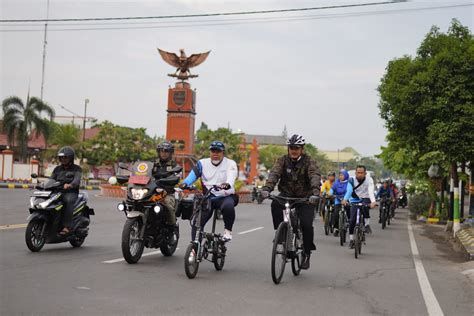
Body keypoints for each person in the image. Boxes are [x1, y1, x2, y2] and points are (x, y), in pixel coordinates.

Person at [261, 134, 321, 270]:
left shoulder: (309, 161)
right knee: (275, 203)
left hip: (305, 197)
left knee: (306, 224)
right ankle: (280, 233)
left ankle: (306, 253)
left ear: (302, 149)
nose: (293, 150)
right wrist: (266, 189)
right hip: (287, 194)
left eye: (297, 148)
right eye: (291, 148)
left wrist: (315, 193)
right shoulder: (282, 160)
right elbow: (274, 174)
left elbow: (314, 176)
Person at [180, 141, 238, 242]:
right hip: (208, 198)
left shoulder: (230, 163)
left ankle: (228, 231)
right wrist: (184, 184)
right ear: (210, 152)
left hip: (225, 196)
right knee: (197, 222)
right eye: (213, 151)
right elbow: (192, 176)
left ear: (223, 152)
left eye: (218, 151)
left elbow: (231, 178)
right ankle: (195, 246)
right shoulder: (202, 163)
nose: (215, 154)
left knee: (228, 206)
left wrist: (227, 184)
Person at [342, 165, 376, 249]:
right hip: (354, 200)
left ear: (365, 173)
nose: (360, 174)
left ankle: (367, 225)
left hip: (365, 198)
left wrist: (373, 202)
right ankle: (351, 240)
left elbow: (371, 191)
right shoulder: (351, 180)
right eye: (358, 173)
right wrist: (345, 199)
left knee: (365, 207)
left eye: (362, 173)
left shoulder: (369, 180)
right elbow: (349, 191)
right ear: (355, 173)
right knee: (352, 220)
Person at [51, 146, 82, 236]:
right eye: (61, 157)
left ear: (71, 158)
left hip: (70, 192)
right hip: (58, 192)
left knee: (68, 201)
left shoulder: (77, 169)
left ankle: (66, 226)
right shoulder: (57, 169)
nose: (63, 159)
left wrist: (70, 185)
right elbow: (51, 180)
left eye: (65, 157)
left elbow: (77, 180)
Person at [152, 141, 180, 227]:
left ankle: (172, 226)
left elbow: (177, 177)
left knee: (168, 205)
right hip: (152, 192)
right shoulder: (153, 163)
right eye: (162, 151)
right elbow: (143, 172)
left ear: (170, 153)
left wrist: (167, 180)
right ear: (159, 152)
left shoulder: (174, 165)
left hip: (167, 193)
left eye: (166, 151)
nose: (163, 153)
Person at [329, 169, 352, 237]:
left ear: (345, 175)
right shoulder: (336, 182)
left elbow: (349, 192)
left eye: (342, 175)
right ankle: (336, 228)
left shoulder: (349, 183)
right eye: (340, 175)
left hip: (346, 200)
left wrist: (345, 199)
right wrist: (330, 193)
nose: (340, 176)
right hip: (338, 200)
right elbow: (332, 189)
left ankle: (348, 222)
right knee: (336, 213)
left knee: (348, 210)